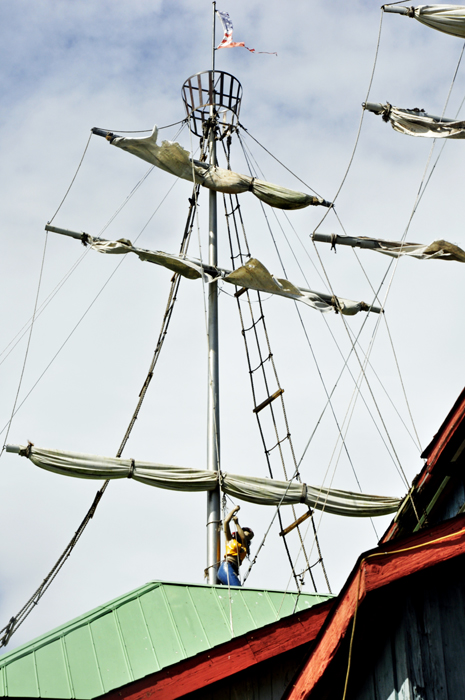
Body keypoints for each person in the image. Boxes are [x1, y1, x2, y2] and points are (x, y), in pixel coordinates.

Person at [217, 505, 254, 587]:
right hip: (227, 565)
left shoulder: (244, 547)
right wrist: (234, 510)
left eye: (249, 538)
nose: (248, 538)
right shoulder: (230, 540)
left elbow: (243, 538)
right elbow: (226, 522)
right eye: (247, 535)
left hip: (234, 569)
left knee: (235, 590)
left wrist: (237, 523)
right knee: (237, 588)